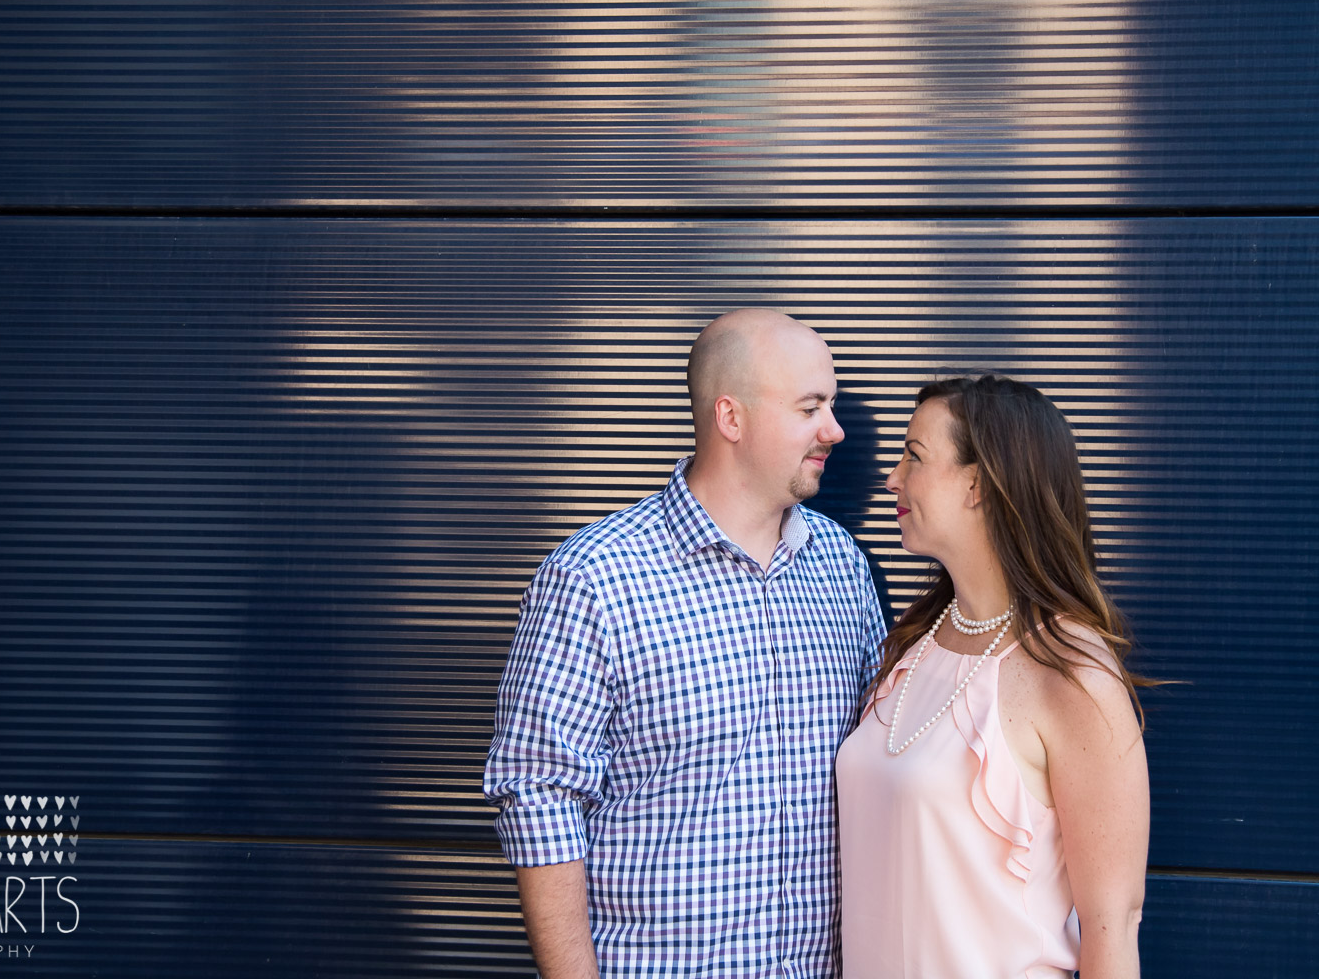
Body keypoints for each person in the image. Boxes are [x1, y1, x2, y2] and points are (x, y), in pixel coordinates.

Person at [484, 309, 887, 978]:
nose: (835, 430)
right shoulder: (594, 577)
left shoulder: (840, 564)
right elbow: (539, 794)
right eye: (811, 406)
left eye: (834, 405)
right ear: (731, 418)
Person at [837, 375, 1150, 979]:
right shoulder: (911, 648)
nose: (892, 477)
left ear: (979, 485)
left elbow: (1113, 929)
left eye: (914, 456)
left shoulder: (1071, 672)